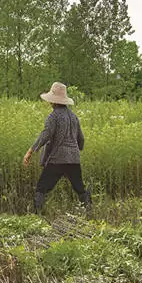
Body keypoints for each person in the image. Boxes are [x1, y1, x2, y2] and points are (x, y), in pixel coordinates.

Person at [23, 82, 90, 213]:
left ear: (52, 101)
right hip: (74, 159)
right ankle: (89, 211)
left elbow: (45, 135)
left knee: (42, 187)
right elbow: (81, 139)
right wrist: (76, 150)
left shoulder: (53, 116)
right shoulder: (74, 117)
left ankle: (36, 216)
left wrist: (30, 151)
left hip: (58, 159)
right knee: (80, 188)